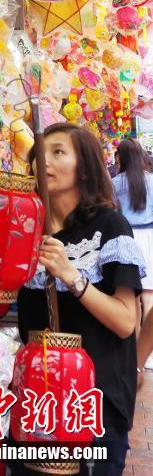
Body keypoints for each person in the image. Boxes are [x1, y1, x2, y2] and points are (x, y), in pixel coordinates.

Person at [16, 123, 145, 476]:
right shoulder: (26, 230)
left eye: (58, 152)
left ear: (85, 167)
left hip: (94, 404)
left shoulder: (110, 227)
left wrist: (71, 275)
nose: (44, 161)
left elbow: (124, 321)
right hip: (38, 403)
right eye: (38, 154)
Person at [112, 139, 153, 351]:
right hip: (149, 236)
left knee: (131, 295)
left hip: (126, 238)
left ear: (122, 158)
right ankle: (148, 350)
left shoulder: (115, 183)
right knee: (149, 297)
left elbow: (113, 212)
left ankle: (134, 348)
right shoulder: (152, 181)